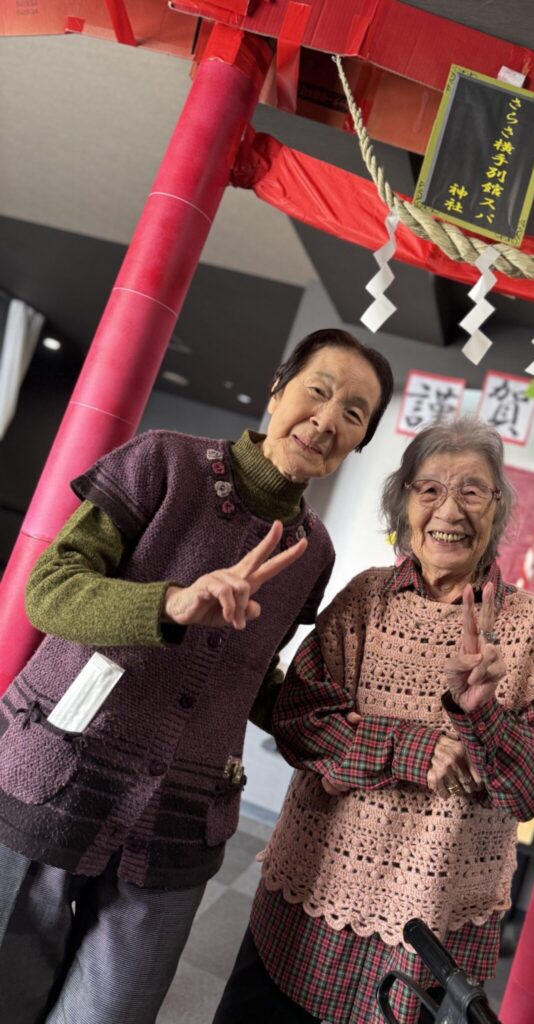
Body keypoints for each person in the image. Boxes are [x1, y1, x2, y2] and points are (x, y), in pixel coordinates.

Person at [0, 327, 393, 1024]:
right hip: (55, 780)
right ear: (278, 388)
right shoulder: (164, 461)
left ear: (360, 442)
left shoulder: (315, 552)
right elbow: (50, 591)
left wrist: (347, 728)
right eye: (319, 390)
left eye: (354, 413)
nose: (327, 420)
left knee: (112, 1012)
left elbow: (250, 674)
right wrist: (172, 604)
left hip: (180, 821)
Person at [214, 418, 534, 1024]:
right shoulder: (365, 599)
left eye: (472, 490)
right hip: (313, 892)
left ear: (497, 508)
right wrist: (414, 749)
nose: (449, 510)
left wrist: (481, 713)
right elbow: (298, 719)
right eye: (429, 488)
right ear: (404, 502)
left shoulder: (532, 628)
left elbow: (531, 789)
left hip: (435, 923)